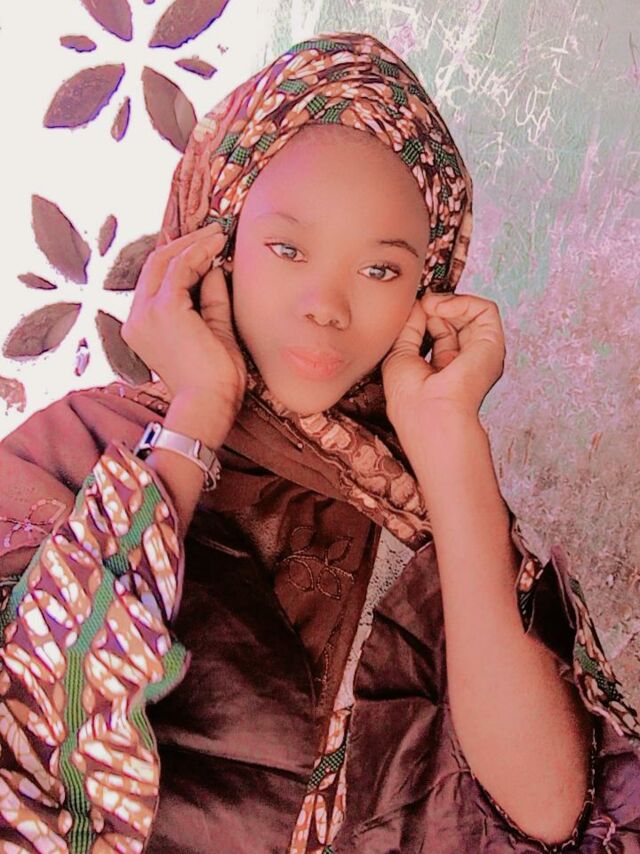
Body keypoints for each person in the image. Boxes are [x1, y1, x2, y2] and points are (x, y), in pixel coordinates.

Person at [0, 30, 638, 853]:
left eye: (381, 270)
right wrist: (197, 418)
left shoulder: (423, 504)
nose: (327, 307)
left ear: (427, 288)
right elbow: (28, 753)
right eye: (287, 248)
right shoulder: (80, 450)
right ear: (217, 242)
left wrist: (451, 443)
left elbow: (551, 815)